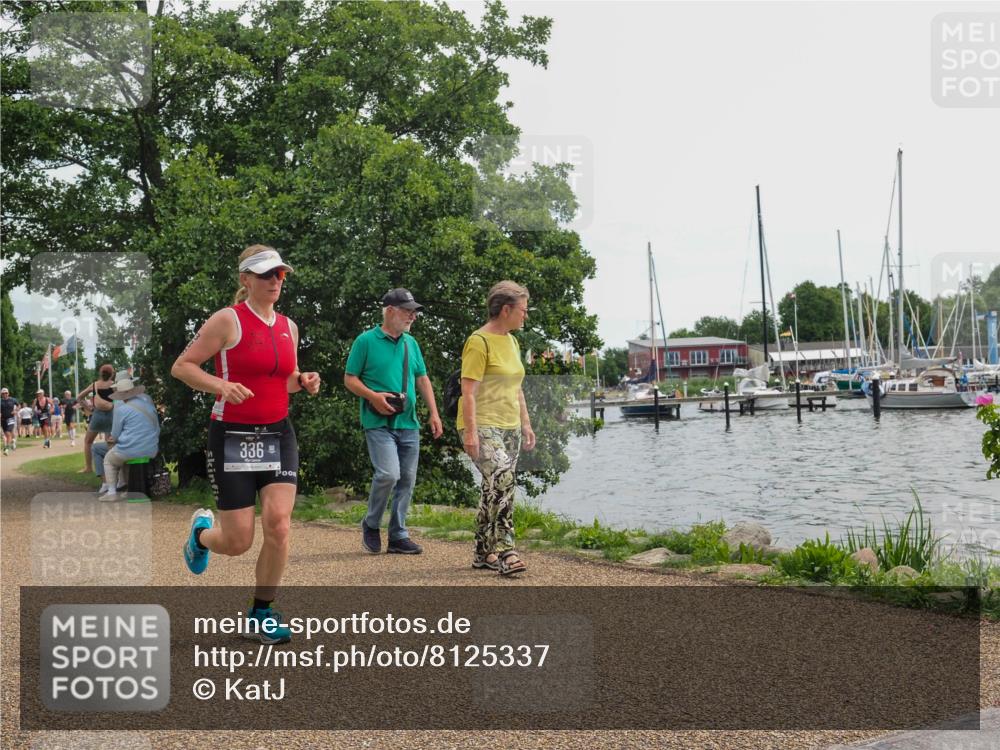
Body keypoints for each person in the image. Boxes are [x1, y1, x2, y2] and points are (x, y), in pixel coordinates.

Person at [171, 245, 319, 645]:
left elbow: (282, 379)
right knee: (237, 542)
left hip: (277, 434)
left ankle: (260, 613)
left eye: (280, 274)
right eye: (266, 274)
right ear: (245, 279)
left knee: (279, 524)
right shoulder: (227, 320)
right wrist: (219, 385)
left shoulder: (289, 326)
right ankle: (201, 535)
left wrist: (302, 381)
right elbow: (182, 366)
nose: (275, 281)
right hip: (233, 436)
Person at [344, 288, 443, 556]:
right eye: (407, 310)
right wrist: (373, 397)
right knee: (389, 474)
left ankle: (398, 535)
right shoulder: (365, 341)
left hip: (409, 423)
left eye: (414, 311)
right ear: (390, 310)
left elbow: (422, 379)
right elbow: (350, 379)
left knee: (407, 479)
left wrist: (434, 413)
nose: (413, 316)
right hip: (377, 422)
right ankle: (371, 523)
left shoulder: (412, 343)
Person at [457, 281, 536, 576]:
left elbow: (516, 387)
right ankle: (506, 550)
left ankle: (481, 552)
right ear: (506, 310)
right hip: (482, 424)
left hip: (510, 426)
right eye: (523, 310)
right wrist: (471, 432)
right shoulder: (479, 341)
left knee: (493, 488)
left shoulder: (512, 342)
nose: (525, 316)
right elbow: (469, 392)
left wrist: (526, 423)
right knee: (502, 477)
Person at [91, 373, 161, 501]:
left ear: (120, 394)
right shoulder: (147, 400)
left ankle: (111, 492)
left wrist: (115, 438)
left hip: (132, 449)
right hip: (152, 447)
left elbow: (115, 434)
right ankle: (129, 488)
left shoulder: (121, 409)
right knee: (124, 454)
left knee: (109, 459)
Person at [77, 365, 116, 473]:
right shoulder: (114, 385)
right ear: (112, 374)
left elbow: (79, 397)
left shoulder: (95, 385)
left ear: (100, 373)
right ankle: (111, 467)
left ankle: (89, 467)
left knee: (88, 441)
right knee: (109, 443)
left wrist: (88, 407)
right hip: (110, 415)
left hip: (97, 415)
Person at [1, 388, 18, 455]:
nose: (5, 394)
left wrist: (15, 411)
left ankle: (6, 449)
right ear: (1, 394)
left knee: (8, 433)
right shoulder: (0, 401)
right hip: (3, 419)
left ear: (8, 393)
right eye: (3, 393)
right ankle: (13, 441)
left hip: (11, 418)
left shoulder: (13, 400)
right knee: (6, 434)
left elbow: (18, 405)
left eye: (6, 393)